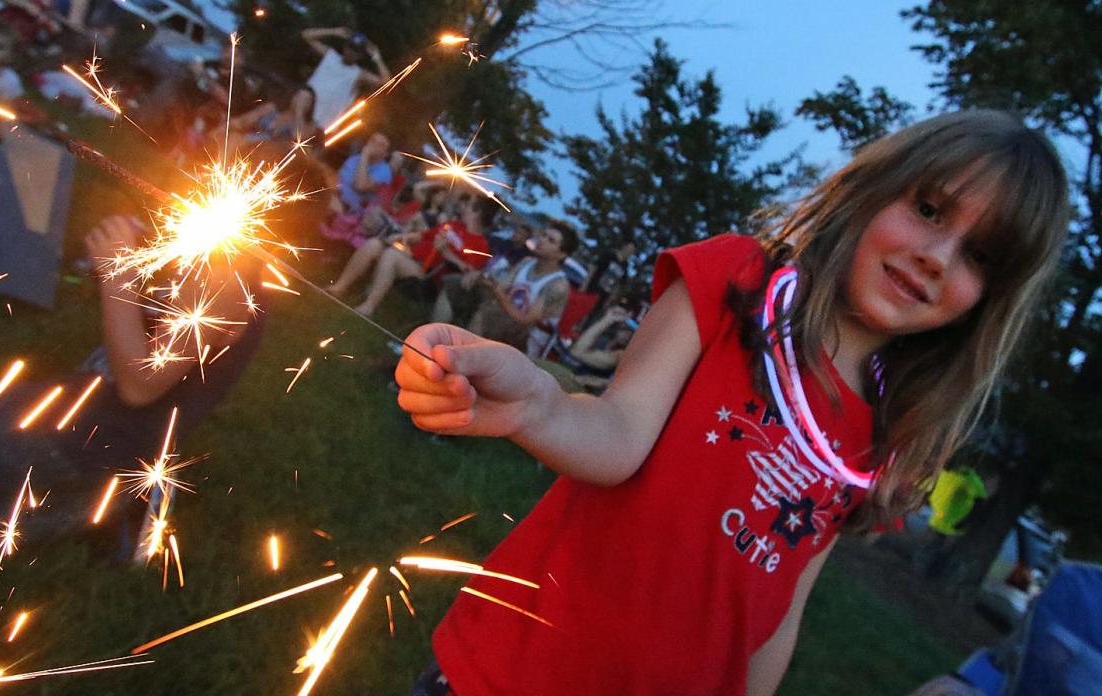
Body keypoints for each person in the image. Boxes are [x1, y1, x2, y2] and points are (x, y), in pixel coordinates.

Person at [394, 110, 1070, 695]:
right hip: (510, 674)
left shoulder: (882, 439)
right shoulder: (736, 280)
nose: (936, 256)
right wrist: (539, 406)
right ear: (874, 190)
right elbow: (620, 432)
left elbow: (777, 615)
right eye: (928, 210)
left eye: (978, 255)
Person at [0, 216, 268, 540]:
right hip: (67, 404)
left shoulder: (224, 282)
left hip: (87, 446)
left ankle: (109, 504)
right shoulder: (209, 254)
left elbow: (140, 386)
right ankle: (74, 506)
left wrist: (118, 272)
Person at [328, 195, 497, 316]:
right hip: (410, 257)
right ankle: (339, 287)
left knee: (391, 255)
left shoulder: (481, 246)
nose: (465, 207)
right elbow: (423, 236)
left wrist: (447, 253)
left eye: (470, 205)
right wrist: (403, 237)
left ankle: (369, 306)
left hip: (428, 277)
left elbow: (467, 272)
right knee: (374, 244)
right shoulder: (454, 224)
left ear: (478, 212)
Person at [466, 220, 579, 354]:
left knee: (486, 313)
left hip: (526, 338)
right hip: (505, 317)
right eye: (543, 235)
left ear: (562, 254)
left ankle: (463, 355)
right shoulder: (527, 262)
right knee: (457, 283)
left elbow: (525, 320)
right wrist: (480, 277)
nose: (542, 240)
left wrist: (496, 291)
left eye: (551, 240)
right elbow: (502, 286)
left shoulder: (557, 285)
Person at [292, 27, 391, 136]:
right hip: (308, 106)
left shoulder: (359, 74)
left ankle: (298, 138)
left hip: (325, 121)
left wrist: (377, 57)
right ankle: (297, 135)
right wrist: (333, 32)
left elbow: (386, 82)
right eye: (350, 47)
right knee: (303, 96)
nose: (351, 52)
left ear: (360, 56)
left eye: (356, 51)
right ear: (345, 46)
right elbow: (306, 35)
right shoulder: (330, 55)